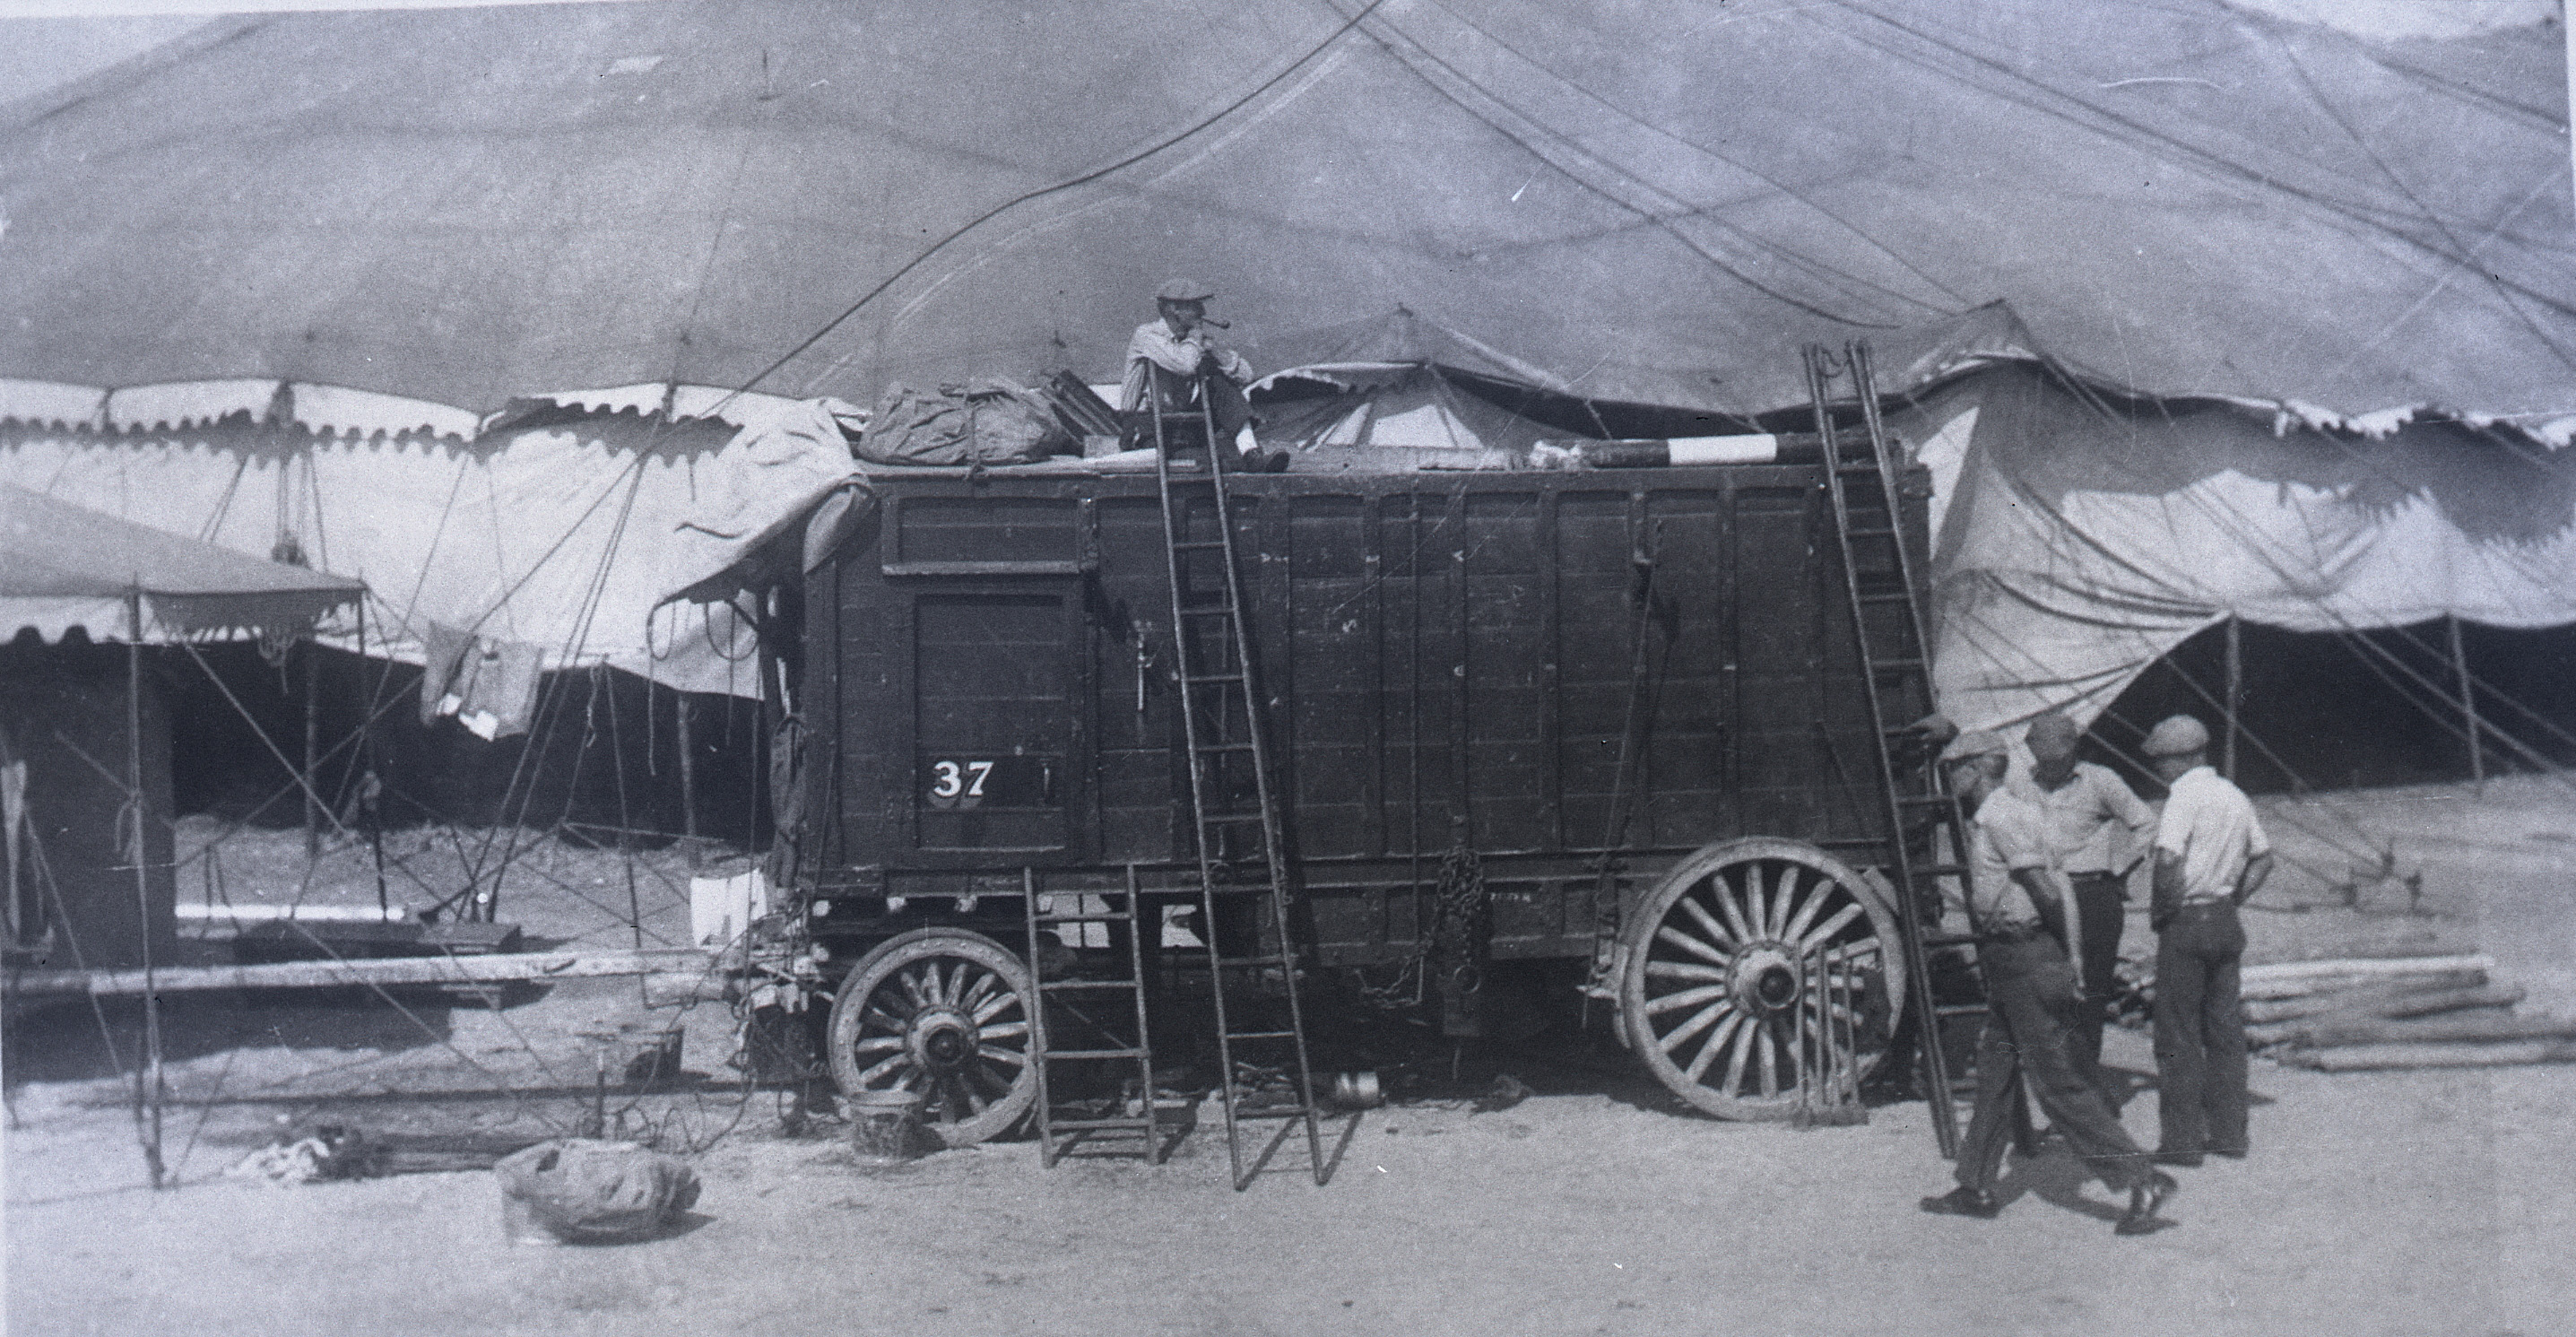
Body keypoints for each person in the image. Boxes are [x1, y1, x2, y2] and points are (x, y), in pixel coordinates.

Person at [1919, 730, 2175, 1237]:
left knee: (2056, 1081)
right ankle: (1976, 1185)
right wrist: (2072, 954)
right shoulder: (2019, 810)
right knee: (1996, 1073)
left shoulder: (2001, 815)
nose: (1948, 781)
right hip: (2012, 957)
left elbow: (2047, 893)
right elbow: (2062, 886)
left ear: (1974, 769)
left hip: (2025, 956)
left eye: (1952, 770)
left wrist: (2068, 959)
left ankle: (2140, 1177)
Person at [2141, 714, 2273, 1166]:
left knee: (2177, 1032)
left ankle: (2181, 1142)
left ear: (2185, 758)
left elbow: (2166, 860)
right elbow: (2263, 858)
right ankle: (2230, 1135)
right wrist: (2233, 897)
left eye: (2162, 760)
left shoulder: (2183, 796)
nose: (2158, 768)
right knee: (2225, 1032)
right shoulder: (2233, 795)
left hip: (2188, 920)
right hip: (2223, 918)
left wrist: (2162, 910)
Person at [2017, 711, 2156, 1100]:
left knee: (2090, 995)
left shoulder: (2101, 781)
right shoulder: (2020, 786)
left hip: (2093, 894)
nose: (2050, 766)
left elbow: (2145, 823)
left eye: (2058, 758)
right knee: (2048, 995)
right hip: (2042, 896)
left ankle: (2087, 1093)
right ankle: (2061, 1092)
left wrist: (2124, 869)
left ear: (2073, 749)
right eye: (2041, 758)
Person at [1119, 278, 1285, 471]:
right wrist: (1196, 341)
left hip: (1182, 425)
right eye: (1196, 306)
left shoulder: (1193, 341)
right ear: (1174, 309)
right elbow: (1185, 365)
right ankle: (1239, 463)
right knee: (1209, 463)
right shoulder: (1147, 336)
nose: (1203, 312)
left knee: (1218, 382)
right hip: (1148, 428)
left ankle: (1251, 453)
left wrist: (1216, 352)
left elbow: (1246, 376)